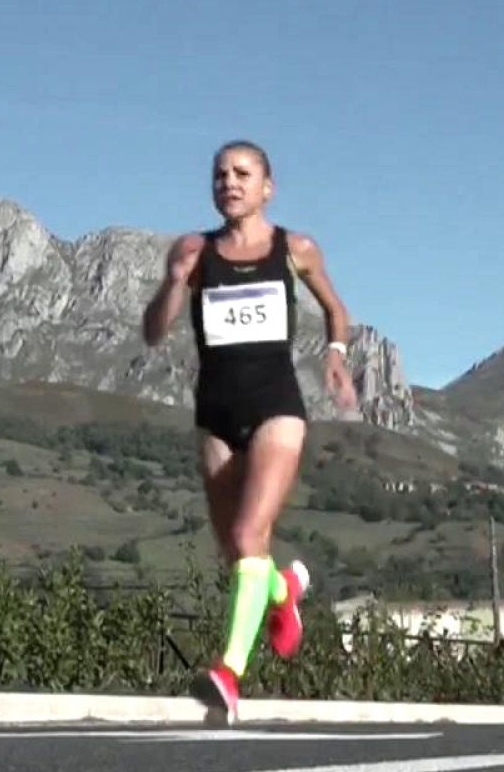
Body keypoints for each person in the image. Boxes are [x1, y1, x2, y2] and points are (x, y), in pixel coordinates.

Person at [141, 139, 358, 720]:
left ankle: (229, 674)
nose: (229, 183)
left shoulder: (295, 248)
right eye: (219, 175)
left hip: (276, 406)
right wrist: (172, 283)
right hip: (214, 411)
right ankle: (285, 590)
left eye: (242, 174)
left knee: (246, 533)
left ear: (267, 187)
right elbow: (152, 334)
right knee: (237, 553)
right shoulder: (192, 250)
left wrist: (335, 354)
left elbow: (337, 310)